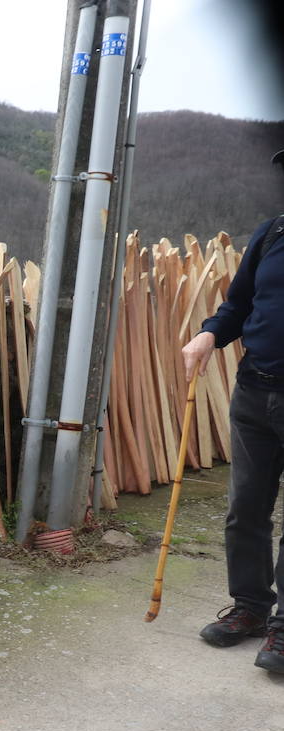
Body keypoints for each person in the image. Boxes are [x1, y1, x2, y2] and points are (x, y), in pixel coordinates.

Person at [182, 149, 284, 672]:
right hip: (255, 390)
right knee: (245, 506)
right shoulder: (271, 235)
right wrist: (208, 334)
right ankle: (249, 607)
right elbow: (239, 304)